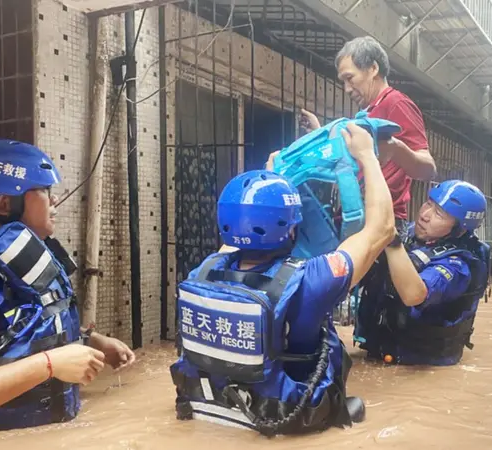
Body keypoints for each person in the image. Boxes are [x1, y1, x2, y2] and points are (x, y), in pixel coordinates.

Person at [169, 123, 395, 436]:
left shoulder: (203, 271)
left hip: (209, 408)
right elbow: (381, 229)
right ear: (292, 229)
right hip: (281, 416)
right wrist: (368, 156)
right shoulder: (312, 280)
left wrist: (271, 176)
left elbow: (241, 236)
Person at [0, 139, 136, 432]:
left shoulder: (18, 259)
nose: (54, 202)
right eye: (44, 192)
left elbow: (12, 328)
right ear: (4, 204)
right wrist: (49, 365)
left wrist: (91, 342)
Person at [296, 35, 437, 230]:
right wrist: (318, 132)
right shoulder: (369, 113)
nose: (346, 88)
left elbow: (429, 169)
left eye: (349, 78)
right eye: (343, 81)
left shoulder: (397, 104)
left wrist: (395, 148)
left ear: (373, 68)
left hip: (380, 222)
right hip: (357, 217)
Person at [356, 180, 491, 366]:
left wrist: (391, 242)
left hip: (421, 364)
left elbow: (415, 295)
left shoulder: (458, 266)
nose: (425, 215)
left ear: (459, 230)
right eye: (428, 204)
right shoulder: (411, 233)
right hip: (380, 353)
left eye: (439, 214)